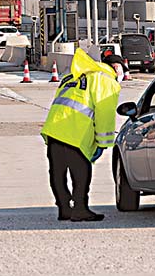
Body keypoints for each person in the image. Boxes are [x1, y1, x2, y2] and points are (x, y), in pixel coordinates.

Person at [40, 49, 122, 221]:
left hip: (54, 129)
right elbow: (105, 113)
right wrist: (103, 143)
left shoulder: (72, 76)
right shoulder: (106, 80)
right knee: (81, 172)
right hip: (76, 132)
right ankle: (80, 209)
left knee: (57, 171)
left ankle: (64, 208)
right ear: (116, 68)